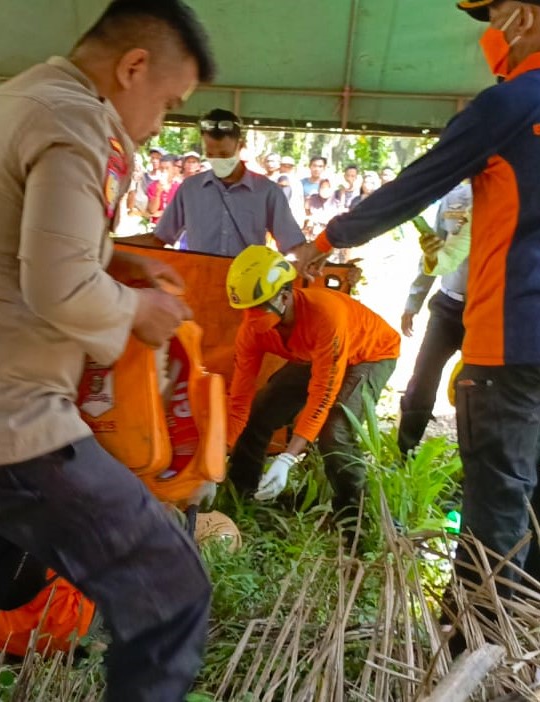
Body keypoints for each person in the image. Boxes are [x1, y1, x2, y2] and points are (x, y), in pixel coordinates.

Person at [0, 0, 216, 698]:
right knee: (169, 588)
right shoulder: (76, 119)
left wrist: (116, 257)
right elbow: (58, 284)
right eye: (168, 103)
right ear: (133, 66)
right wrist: (138, 310)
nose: (160, 124)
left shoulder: (6, 102)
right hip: (2, 426)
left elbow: (6, 233)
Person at [292, 0, 540, 604]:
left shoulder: (509, 104)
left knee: (499, 509)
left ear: (525, 17)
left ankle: (481, 644)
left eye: (494, 16)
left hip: (511, 338)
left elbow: (415, 184)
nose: (491, 33)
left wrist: (323, 243)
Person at [224, 246, 399, 518]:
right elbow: (239, 399)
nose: (251, 319)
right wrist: (217, 458)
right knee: (261, 409)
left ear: (284, 296)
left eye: (259, 308)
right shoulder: (252, 330)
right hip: (316, 355)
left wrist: (287, 458)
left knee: (335, 431)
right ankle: (241, 498)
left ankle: (354, 519)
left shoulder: (324, 317)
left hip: (370, 354)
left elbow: (322, 396)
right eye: (247, 310)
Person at [153, 109, 304, 256]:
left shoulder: (266, 191)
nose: (217, 159)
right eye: (210, 154)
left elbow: (293, 244)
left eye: (224, 154)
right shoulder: (190, 189)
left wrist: (309, 257)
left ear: (240, 146)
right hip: (200, 272)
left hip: (247, 273)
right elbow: (159, 237)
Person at [397, 182, 471, 455]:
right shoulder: (455, 198)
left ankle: (471, 463)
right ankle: (405, 453)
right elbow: (432, 252)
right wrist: (414, 301)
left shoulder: (516, 195)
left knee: (475, 387)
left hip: (488, 312)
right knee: (423, 377)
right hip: (448, 304)